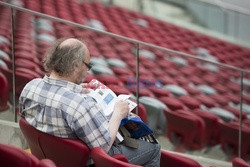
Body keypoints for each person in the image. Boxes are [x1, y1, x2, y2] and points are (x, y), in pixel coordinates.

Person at [19, 38, 161, 166]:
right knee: (154, 148)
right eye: (88, 65)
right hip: (84, 162)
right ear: (75, 65)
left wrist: (74, 90)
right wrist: (118, 114)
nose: (88, 70)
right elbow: (103, 146)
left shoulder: (31, 87)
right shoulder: (79, 104)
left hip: (49, 158)